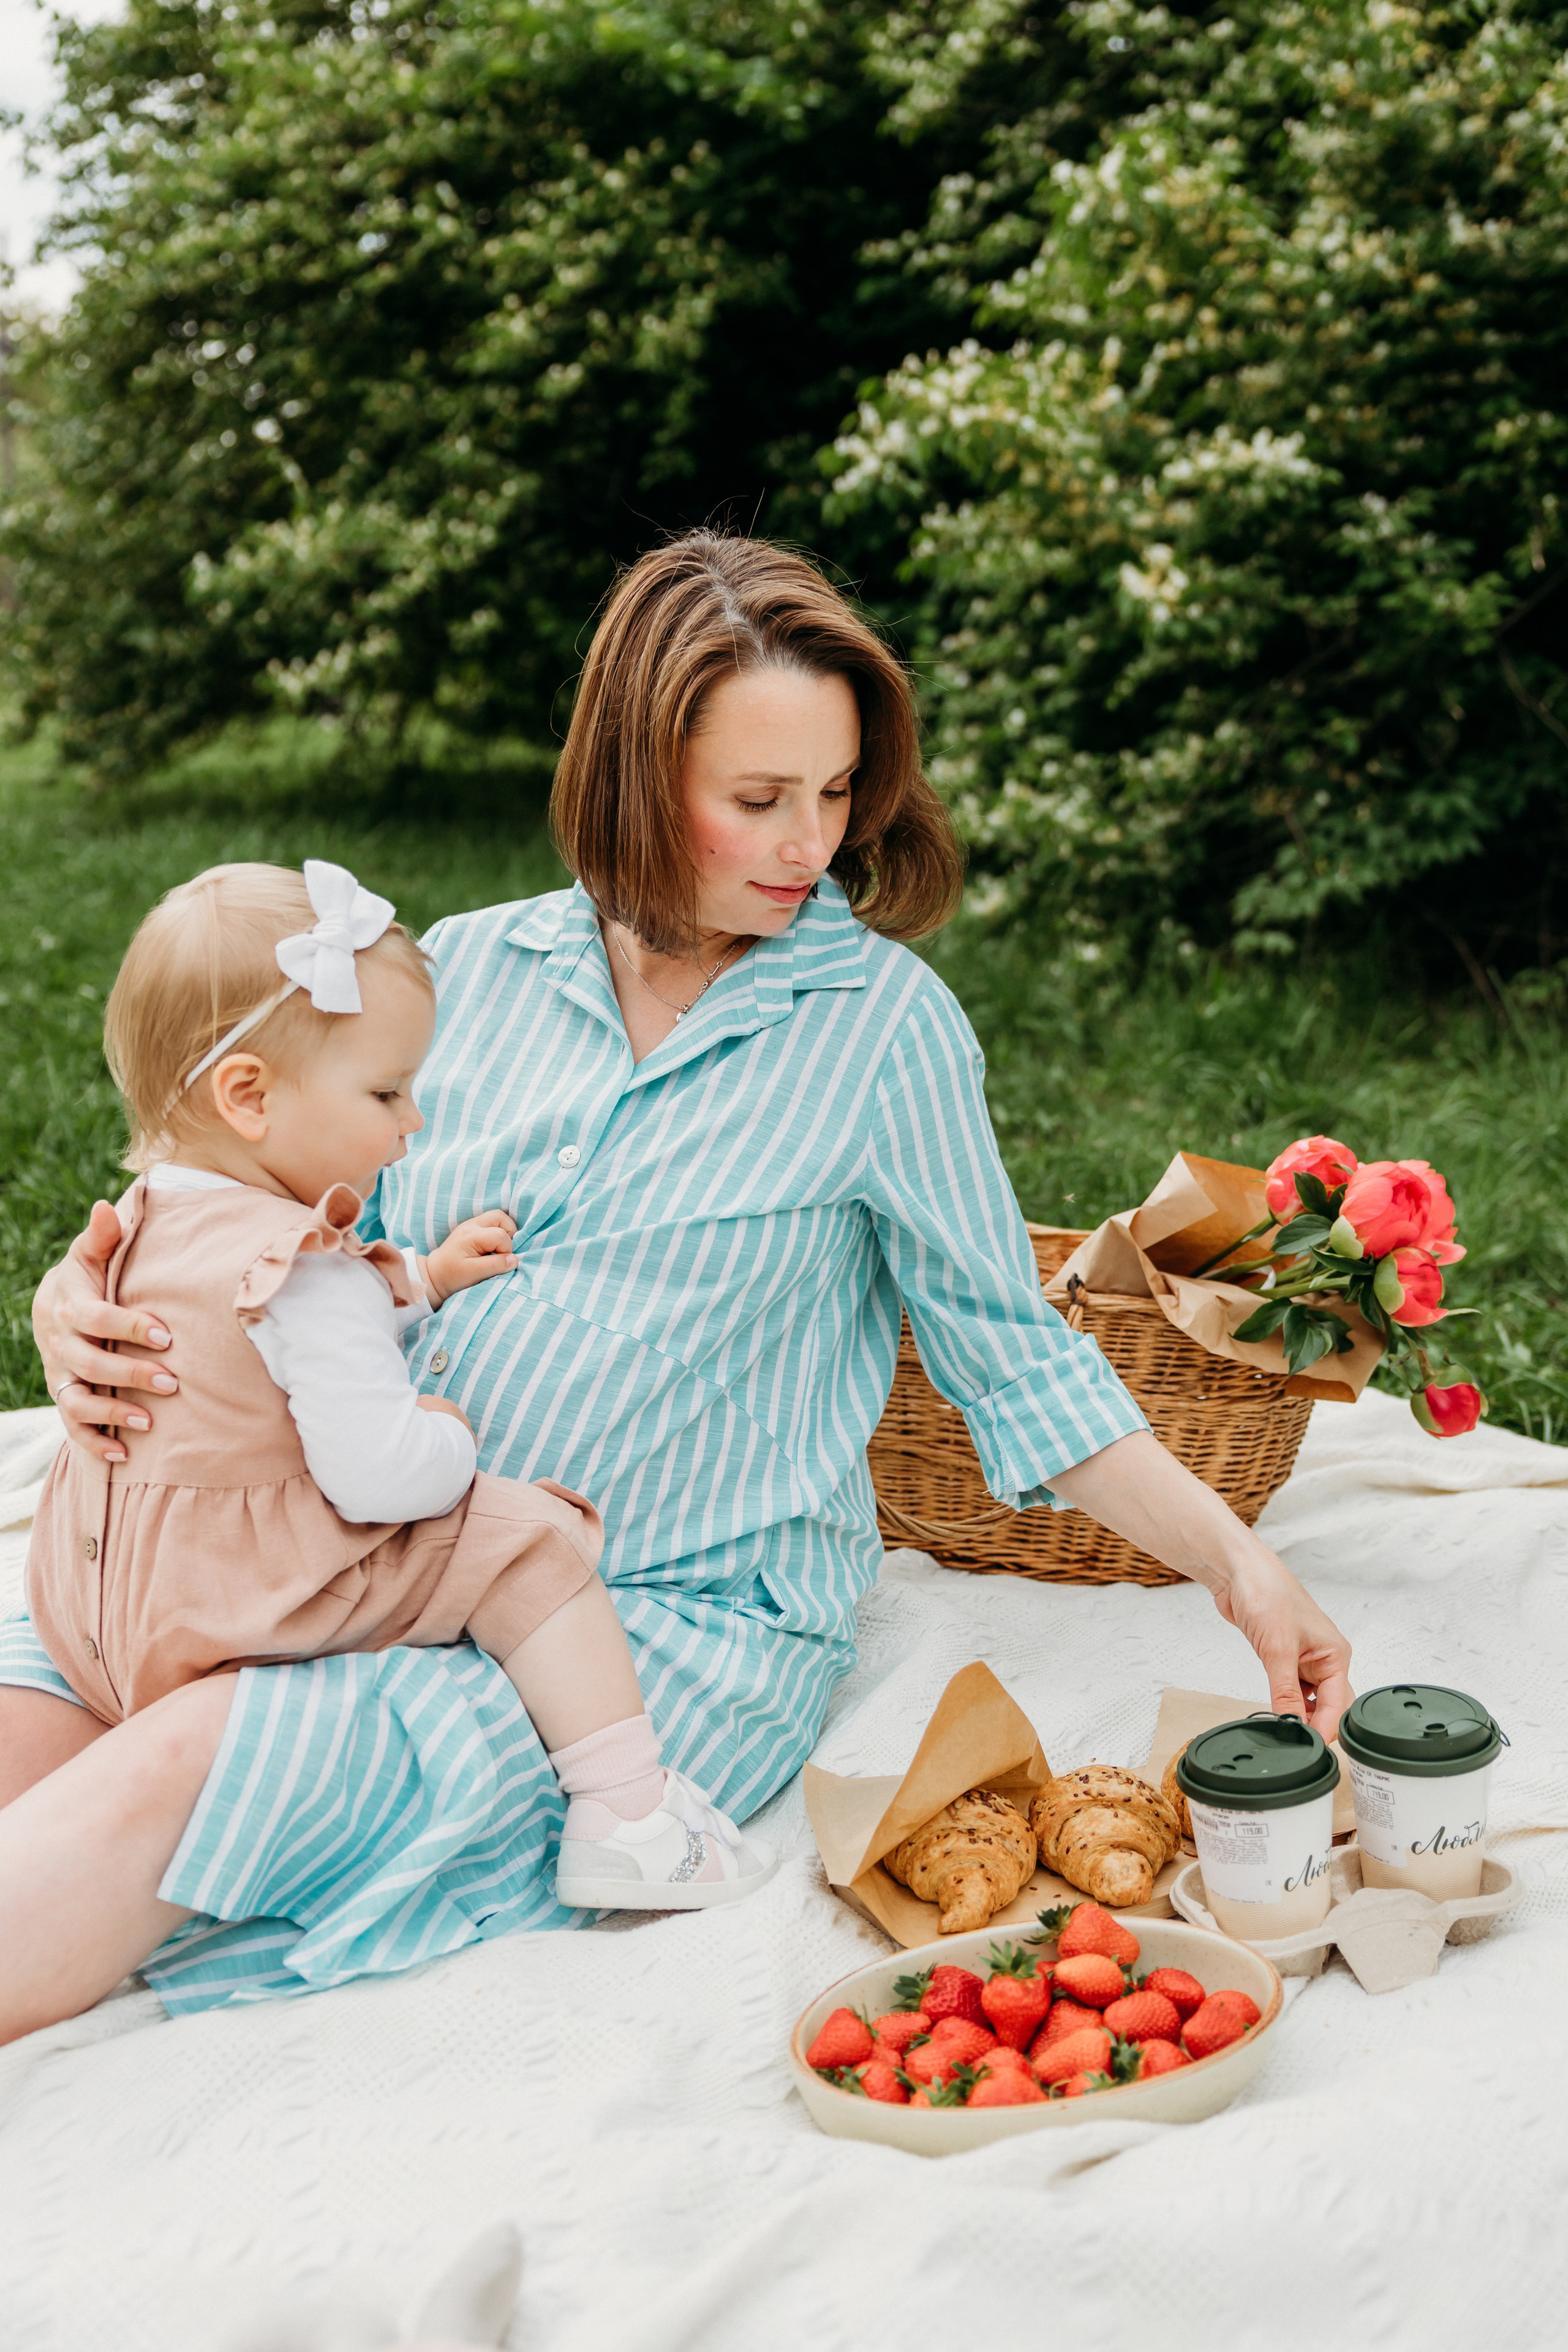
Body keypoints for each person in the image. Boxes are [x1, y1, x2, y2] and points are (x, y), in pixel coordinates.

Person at [7, 531, 1352, 2046]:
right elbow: (262, 1212)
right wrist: (83, 1294)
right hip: (342, 1551)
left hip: (651, 1629)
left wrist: (1239, 1570)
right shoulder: (458, 973)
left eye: (837, 793)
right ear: (637, 781)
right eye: (758, 800)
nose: (808, 845)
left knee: (188, 1762)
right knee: (45, 1692)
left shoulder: (883, 1031)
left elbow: (1014, 1365)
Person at [21, 854, 776, 1920]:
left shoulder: (147, 1217)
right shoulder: (308, 1269)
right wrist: (448, 1436)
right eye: (385, 1092)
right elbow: (376, 1476)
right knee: (525, 1539)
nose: (413, 1122)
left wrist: (420, 1279)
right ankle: (629, 1815)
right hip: (238, 1601)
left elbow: (258, 1340)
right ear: (249, 1097)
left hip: (99, 1599)